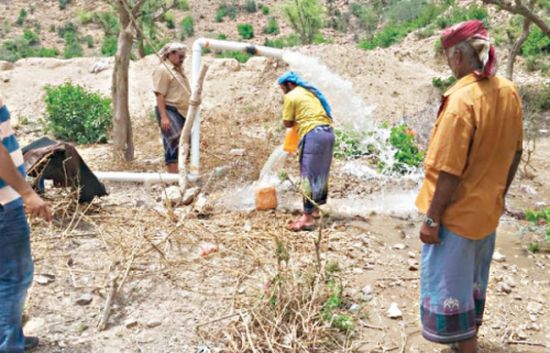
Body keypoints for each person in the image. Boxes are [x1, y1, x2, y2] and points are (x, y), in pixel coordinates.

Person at [415, 20, 523, 353]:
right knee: (473, 284)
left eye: (448, 57)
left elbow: (448, 169)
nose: (449, 64)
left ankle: (466, 348)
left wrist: (432, 219)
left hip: (456, 218)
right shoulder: (508, 90)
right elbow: (516, 152)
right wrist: (499, 196)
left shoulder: (461, 100)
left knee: (451, 287)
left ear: (459, 56)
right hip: (485, 215)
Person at [0, 97, 52, 352]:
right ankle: (9, 345)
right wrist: (26, 192)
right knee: (15, 276)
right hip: (3, 201)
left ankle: (9, 335)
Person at [277, 71, 335, 231]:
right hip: (328, 133)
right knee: (320, 172)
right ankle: (315, 209)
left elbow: (288, 123)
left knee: (308, 174)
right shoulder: (309, 92)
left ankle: (307, 218)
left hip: (314, 135)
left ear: (289, 84)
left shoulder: (292, 95)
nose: (283, 92)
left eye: (283, 89)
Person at [152, 42, 192, 174]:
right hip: (169, 110)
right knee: (173, 142)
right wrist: (164, 117)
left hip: (183, 112)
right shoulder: (163, 70)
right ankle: (172, 179)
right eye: (180, 56)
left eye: (183, 57)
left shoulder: (179, 71)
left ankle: (183, 176)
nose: (182, 59)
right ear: (170, 54)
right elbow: (159, 94)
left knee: (186, 144)